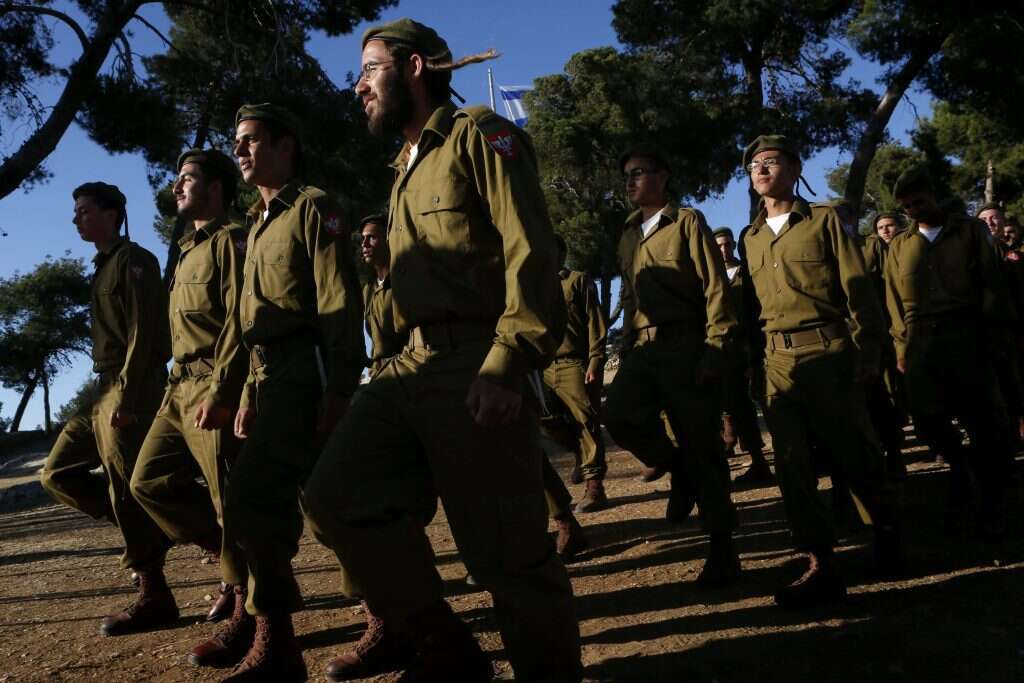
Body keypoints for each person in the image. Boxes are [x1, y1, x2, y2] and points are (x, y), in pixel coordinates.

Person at [303, 19, 581, 683]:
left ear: (416, 67)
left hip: (475, 357)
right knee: (333, 494)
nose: (360, 88)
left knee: (508, 555)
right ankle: (442, 643)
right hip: (406, 365)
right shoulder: (403, 173)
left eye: (369, 69)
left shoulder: (480, 134)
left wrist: (507, 360)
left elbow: (532, 251)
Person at [217, 103, 366, 681]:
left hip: (309, 374)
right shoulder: (256, 224)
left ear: (285, 146)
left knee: (255, 501)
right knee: (324, 507)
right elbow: (246, 322)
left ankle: (278, 640)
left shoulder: (314, 208)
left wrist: (341, 388)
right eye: (237, 142)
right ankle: (390, 616)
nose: (241, 151)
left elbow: (337, 302)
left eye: (252, 140)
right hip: (271, 379)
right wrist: (248, 393)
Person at [739, 134, 903, 608]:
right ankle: (819, 562)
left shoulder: (825, 221)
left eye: (771, 161)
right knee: (792, 467)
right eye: (753, 165)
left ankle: (889, 536)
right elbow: (750, 312)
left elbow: (859, 291)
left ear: (795, 168)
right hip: (776, 364)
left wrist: (868, 354)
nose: (761, 169)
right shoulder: (750, 238)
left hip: (829, 354)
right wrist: (755, 367)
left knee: (855, 457)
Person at [124, 149, 250, 660]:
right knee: (146, 482)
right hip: (177, 389)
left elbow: (242, 322)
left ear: (215, 187)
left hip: (212, 382)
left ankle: (247, 608)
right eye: (177, 179)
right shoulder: (186, 248)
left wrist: (225, 392)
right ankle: (230, 560)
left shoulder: (230, 242)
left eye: (187, 179)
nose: (177, 187)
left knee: (230, 500)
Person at [604, 147, 741, 588]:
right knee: (618, 417)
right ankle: (675, 467)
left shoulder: (686, 222)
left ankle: (723, 549)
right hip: (642, 350)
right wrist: (624, 346)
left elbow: (715, 286)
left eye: (639, 173)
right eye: (626, 175)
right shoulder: (627, 233)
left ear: (663, 177)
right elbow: (628, 296)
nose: (630, 181)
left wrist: (716, 346)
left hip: (685, 345)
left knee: (703, 448)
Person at [40, 182, 174, 634]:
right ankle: (153, 531)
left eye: (84, 211)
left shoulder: (136, 261)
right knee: (56, 472)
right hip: (101, 387)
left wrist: (132, 396)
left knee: (123, 484)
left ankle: (154, 594)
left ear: (112, 213)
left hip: (127, 383)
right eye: (75, 212)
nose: (76, 219)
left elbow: (144, 332)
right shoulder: (102, 266)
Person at [887, 168, 1015, 540]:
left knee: (985, 424)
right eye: (907, 206)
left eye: (919, 202)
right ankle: (960, 467)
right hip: (921, 343)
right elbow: (894, 302)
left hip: (968, 336)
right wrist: (900, 348)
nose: (913, 210)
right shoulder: (901, 245)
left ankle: (991, 505)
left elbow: (991, 284)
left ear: (933, 194)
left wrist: (995, 336)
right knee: (927, 420)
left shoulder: (968, 232)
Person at [543, 234, 610, 512]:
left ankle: (595, 486)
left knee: (586, 422)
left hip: (573, 363)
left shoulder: (577, 280)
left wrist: (595, 361)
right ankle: (580, 453)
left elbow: (595, 321)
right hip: (542, 365)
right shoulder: (532, 285)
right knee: (542, 419)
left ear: (561, 253)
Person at [712, 226, 772, 484]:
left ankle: (762, 461)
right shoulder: (710, 276)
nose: (724, 249)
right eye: (719, 246)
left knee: (754, 403)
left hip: (747, 347)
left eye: (728, 244)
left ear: (734, 245)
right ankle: (743, 460)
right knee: (728, 406)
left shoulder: (746, 274)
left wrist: (754, 350)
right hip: (720, 351)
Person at [861, 212, 909, 480]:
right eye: (881, 227)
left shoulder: (872, 246)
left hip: (879, 328)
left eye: (889, 225)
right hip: (849, 334)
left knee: (882, 392)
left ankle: (894, 448)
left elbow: (887, 287)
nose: (886, 231)